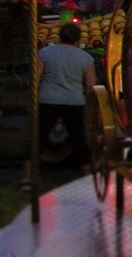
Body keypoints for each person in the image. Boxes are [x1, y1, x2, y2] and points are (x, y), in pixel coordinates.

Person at [22, 23, 97, 189]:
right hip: (74, 101)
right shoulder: (85, 58)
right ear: (78, 38)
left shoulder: (45, 53)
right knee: (79, 139)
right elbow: (91, 85)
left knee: (38, 138)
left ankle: (27, 177)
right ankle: (88, 175)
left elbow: (35, 79)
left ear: (59, 36)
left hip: (48, 99)